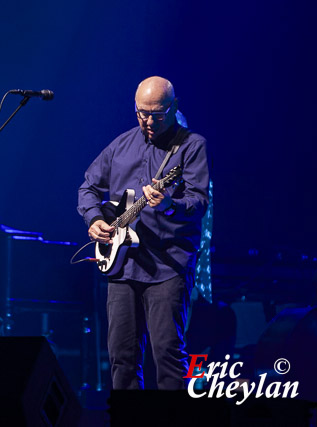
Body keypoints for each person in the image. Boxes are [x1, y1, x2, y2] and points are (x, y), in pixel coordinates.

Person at [77, 76, 210, 389]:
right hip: (123, 266)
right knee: (121, 358)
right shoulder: (120, 145)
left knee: (167, 354)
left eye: (157, 115)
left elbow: (198, 201)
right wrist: (94, 219)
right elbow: (88, 187)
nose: (148, 121)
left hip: (168, 264)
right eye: (141, 113)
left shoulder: (192, 146)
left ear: (174, 107)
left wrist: (167, 206)